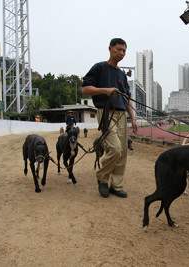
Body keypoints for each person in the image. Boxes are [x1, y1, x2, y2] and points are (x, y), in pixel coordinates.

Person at [81, 38, 138, 198]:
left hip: (121, 114)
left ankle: (116, 185)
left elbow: (127, 98)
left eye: (124, 51)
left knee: (123, 151)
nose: (121, 53)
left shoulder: (121, 74)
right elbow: (85, 89)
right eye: (118, 49)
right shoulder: (99, 67)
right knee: (114, 148)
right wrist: (105, 91)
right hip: (105, 112)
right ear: (110, 48)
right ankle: (102, 178)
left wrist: (132, 118)